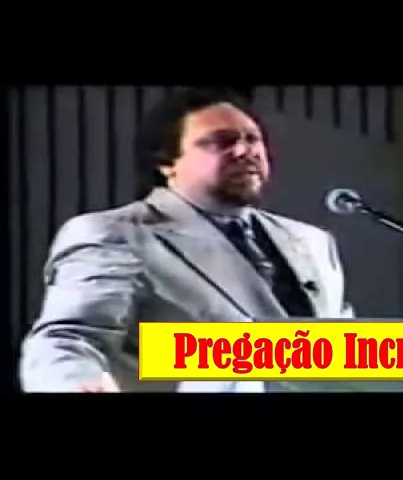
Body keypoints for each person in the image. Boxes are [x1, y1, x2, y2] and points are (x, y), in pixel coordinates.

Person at [19, 87, 354, 393]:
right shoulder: (117, 234)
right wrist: (74, 383)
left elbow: (344, 354)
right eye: (220, 141)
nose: (245, 151)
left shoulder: (312, 241)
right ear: (167, 163)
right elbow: (69, 338)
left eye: (253, 139)